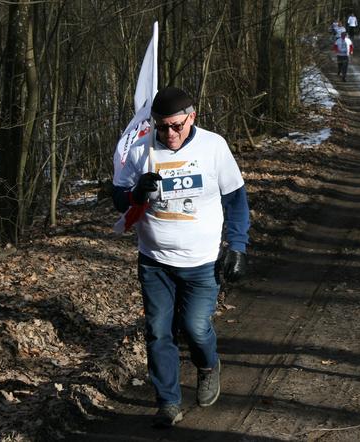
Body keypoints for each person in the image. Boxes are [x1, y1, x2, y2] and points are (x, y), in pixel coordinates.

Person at [112, 86, 250, 427]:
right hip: (155, 260)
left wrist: (237, 246)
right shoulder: (141, 150)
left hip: (201, 261)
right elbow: (118, 197)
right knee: (159, 331)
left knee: (195, 327)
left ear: (192, 117)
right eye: (161, 127)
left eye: (176, 126)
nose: (169, 134)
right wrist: (135, 193)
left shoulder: (213, 146)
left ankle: (207, 365)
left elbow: (235, 200)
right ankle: (168, 402)